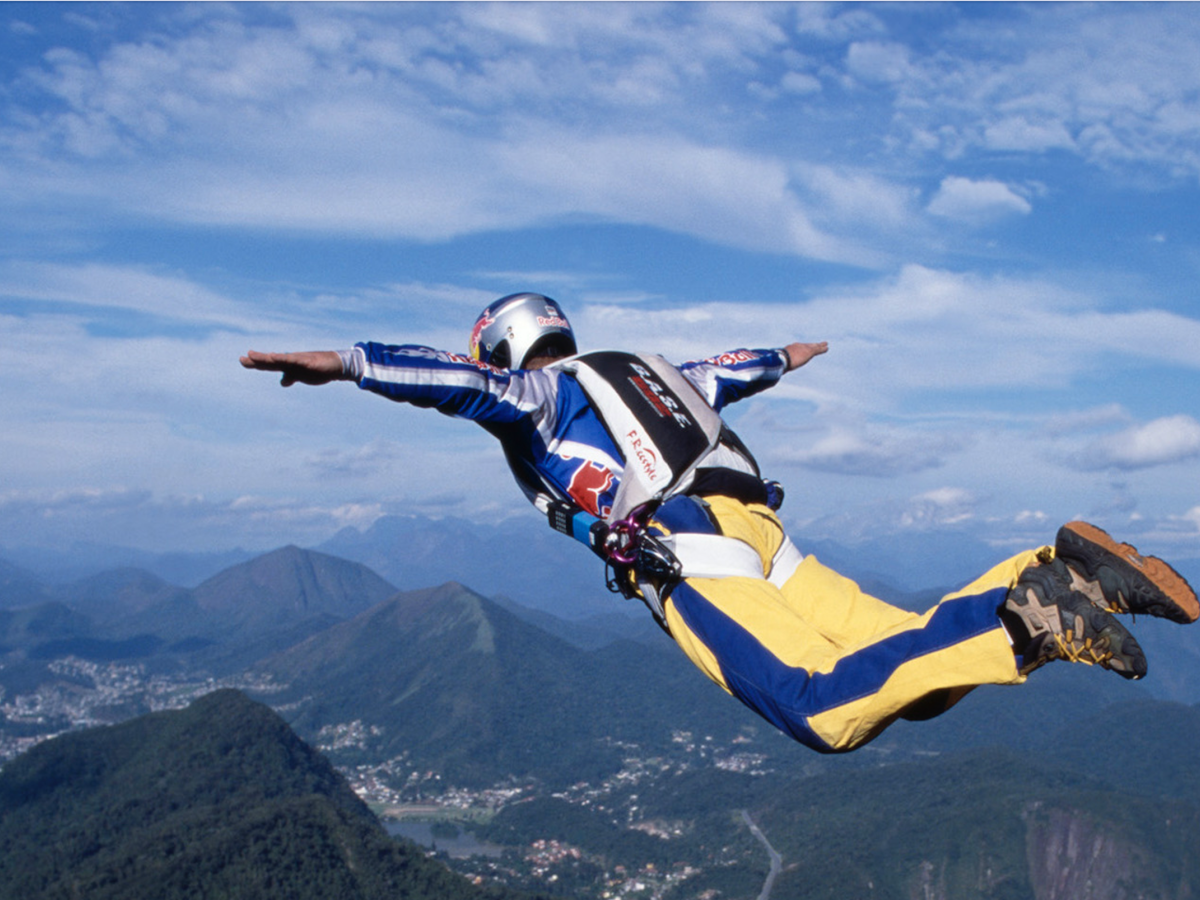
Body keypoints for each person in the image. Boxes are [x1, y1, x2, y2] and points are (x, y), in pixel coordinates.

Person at [241, 292, 1197, 753]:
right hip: (765, 533)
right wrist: (790, 353)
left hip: (689, 548)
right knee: (916, 674)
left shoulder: (535, 392)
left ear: (504, 345)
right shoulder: (649, 367)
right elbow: (732, 367)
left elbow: (454, 385)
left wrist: (347, 363)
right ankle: (1054, 569)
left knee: (823, 712)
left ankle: (1034, 613)